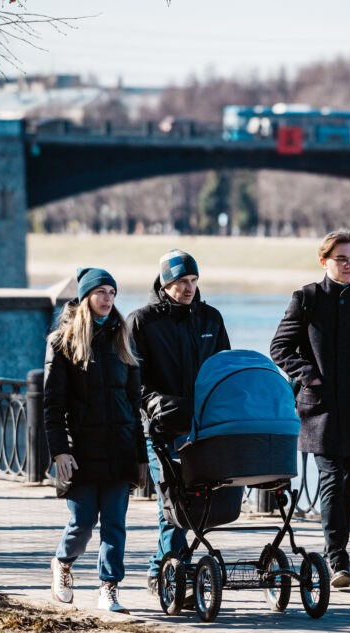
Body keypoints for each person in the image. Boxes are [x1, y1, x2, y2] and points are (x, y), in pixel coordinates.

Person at [270, 230, 350, 589]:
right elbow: (280, 348)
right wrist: (308, 375)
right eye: (342, 259)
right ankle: (337, 558)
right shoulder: (307, 298)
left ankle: (336, 548)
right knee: (332, 480)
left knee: (349, 484)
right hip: (320, 410)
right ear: (324, 261)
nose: (349, 265)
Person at [126, 249, 230, 595]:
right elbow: (132, 380)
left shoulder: (211, 319)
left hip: (205, 429)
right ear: (165, 282)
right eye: (181, 281)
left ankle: (167, 571)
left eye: (193, 281)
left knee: (195, 505)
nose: (189, 288)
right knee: (172, 505)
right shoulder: (142, 321)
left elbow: (224, 370)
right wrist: (155, 403)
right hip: (162, 429)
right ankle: (169, 578)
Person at [43, 267, 147, 614]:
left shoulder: (123, 338)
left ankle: (109, 587)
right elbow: (52, 404)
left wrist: (141, 455)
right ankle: (63, 562)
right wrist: (59, 450)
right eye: (101, 292)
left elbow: (134, 404)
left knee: (115, 525)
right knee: (83, 523)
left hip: (119, 449)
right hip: (82, 451)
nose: (108, 299)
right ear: (86, 296)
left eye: (112, 293)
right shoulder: (62, 341)